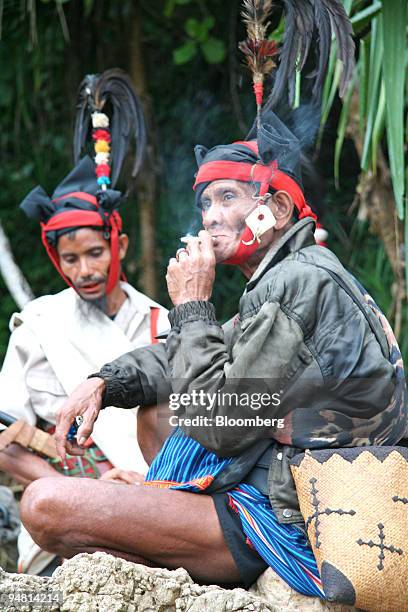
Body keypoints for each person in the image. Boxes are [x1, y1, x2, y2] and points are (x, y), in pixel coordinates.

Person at [20, 111, 406, 596]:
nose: (209, 217)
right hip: (274, 496)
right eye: (205, 202)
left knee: (43, 504)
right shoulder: (289, 277)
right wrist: (104, 382)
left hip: (292, 520)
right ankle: (164, 536)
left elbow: (220, 422)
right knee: (155, 407)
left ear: (278, 210)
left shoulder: (297, 284)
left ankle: (176, 548)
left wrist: (193, 304)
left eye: (228, 197)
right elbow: (190, 359)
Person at [0, 72, 169, 575]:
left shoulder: (166, 325)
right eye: (69, 259)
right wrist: (86, 492)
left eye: (95, 253)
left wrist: (141, 491)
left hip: (155, 519)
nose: (84, 271)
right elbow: (4, 441)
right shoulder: (37, 326)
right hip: (62, 527)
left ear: (119, 245)